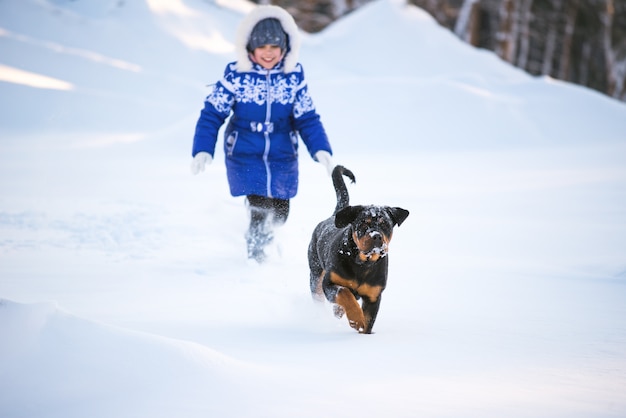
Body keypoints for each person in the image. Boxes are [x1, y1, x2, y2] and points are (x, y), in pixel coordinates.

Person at [191, 5, 335, 262]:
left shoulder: (293, 78)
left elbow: (307, 117)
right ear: (250, 49)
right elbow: (212, 114)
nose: (268, 53)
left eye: (274, 47)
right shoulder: (236, 77)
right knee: (259, 206)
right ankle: (256, 256)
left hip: (282, 153)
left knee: (280, 211)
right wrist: (203, 148)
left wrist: (321, 149)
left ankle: (268, 239)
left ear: (284, 49)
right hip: (245, 152)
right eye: (262, 47)